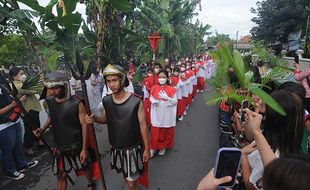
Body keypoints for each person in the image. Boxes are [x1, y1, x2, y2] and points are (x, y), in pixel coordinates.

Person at [85, 64, 150, 190]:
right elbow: (107, 119)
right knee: (125, 175)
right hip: (116, 147)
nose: (111, 84)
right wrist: (95, 119)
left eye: (114, 80)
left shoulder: (136, 101)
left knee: (131, 182)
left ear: (122, 80)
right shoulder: (107, 101)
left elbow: (143, 125)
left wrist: (147, 148)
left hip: (133, 148)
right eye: (108, 81)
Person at [33, 72, 97, 190]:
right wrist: (42, 129)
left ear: (64, 86)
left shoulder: (77, 102)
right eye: (49, 89)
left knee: (85, 167)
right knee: (61, 174)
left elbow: (84, 125)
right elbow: (52, 117)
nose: (51, 91)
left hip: (76, 144)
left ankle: (90, 183)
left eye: (54, 88)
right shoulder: (50, 101)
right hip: (60, 145)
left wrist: (83, 149)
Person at [0, 84, 38, 180]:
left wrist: (18, 101)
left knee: (18, 145)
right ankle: (10, 171)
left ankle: (22, 165)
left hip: (14, 120)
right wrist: (12, 105)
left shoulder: (3, 87)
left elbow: (13, 100)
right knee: (7, 149)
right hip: (3, 126)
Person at [9, 67, 43, 156]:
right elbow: (32, 90)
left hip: (32, 108)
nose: (23, 75)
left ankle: (38, 140)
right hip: (27, 110)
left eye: (23, 73)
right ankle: (28, 147)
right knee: (29, 129)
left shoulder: (22, 83)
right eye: (21, 74)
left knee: (36, 125)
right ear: (14, 76)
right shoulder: (17, 85)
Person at [149, 70, 177, 157]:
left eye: (163, 77)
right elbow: (151, 97)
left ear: (167, 78)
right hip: (157, 111)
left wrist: (167, 98)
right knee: (155, 130)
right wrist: (153, 101)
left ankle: (163, 147)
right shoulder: (154, 87)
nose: (161, 79)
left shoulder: (171, 89)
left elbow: (175, 102)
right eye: (160, 77)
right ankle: (153, 148)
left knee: (165, 130)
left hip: (166, 112)